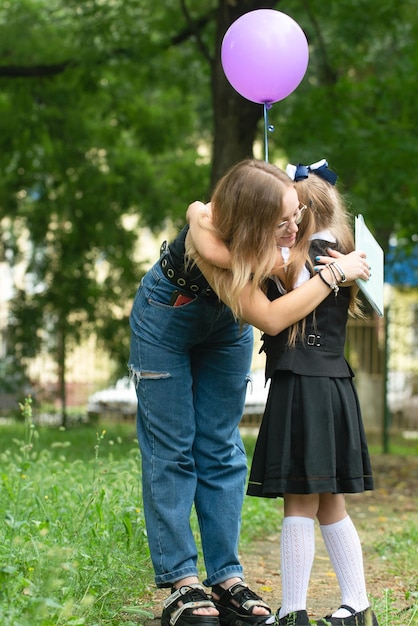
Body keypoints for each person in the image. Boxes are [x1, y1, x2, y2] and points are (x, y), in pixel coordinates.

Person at [128, 159, 370, 626]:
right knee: (174, 449)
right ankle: (182, 582)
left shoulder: (268, 238)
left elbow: (203, 210)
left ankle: (225, 576)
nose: (294, 227)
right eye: (283, 222)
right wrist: (331, 276)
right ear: (252, 220)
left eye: (296, 215)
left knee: (221, 446)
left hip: (227, 327)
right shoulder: (216, 244)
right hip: (169, 317)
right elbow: (273, 318)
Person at [244, 160, 379, 626]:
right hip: (330, 384)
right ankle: (357, 605)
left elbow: (281, 292)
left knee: (299, 498)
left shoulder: (313, 256)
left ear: (303, 213)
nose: (286, 226)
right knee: (328, 501)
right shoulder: (338, 253)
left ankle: (293, 610)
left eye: (289, 216)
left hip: (306, 385)